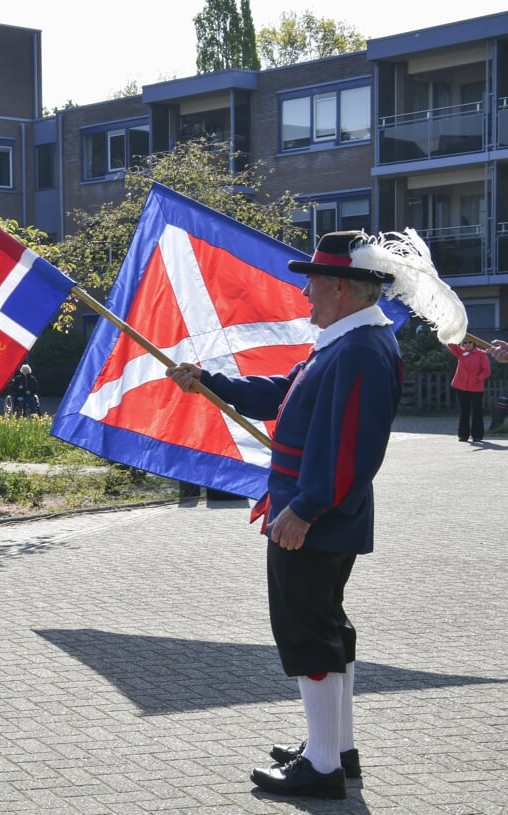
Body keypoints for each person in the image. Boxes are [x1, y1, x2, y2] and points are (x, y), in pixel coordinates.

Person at [165, 231, 402, 800]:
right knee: (326, 629)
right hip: (317, 513)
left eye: (314, 284)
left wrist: (305, 508)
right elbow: (283, 395)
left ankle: (322, 769)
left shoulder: (360, 350)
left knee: (307, 633)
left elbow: (351, 450)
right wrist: (211, 383)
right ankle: (335, 751)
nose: (305, 294)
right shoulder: (347, 343)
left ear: (343, 289)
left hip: (313, 517)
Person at [447, 339, 491, 442]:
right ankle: (463, 435)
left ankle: (477, 435)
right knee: (464, 411)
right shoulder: (461, 352)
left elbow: (487, 371)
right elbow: (451, 344)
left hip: (476, 387)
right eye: (465, 343)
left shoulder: (481, 354)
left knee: (477, 411)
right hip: (462, 387)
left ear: (474, 343)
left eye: (469, 342)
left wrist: (477, 379)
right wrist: (454, 332)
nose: (467, 344)